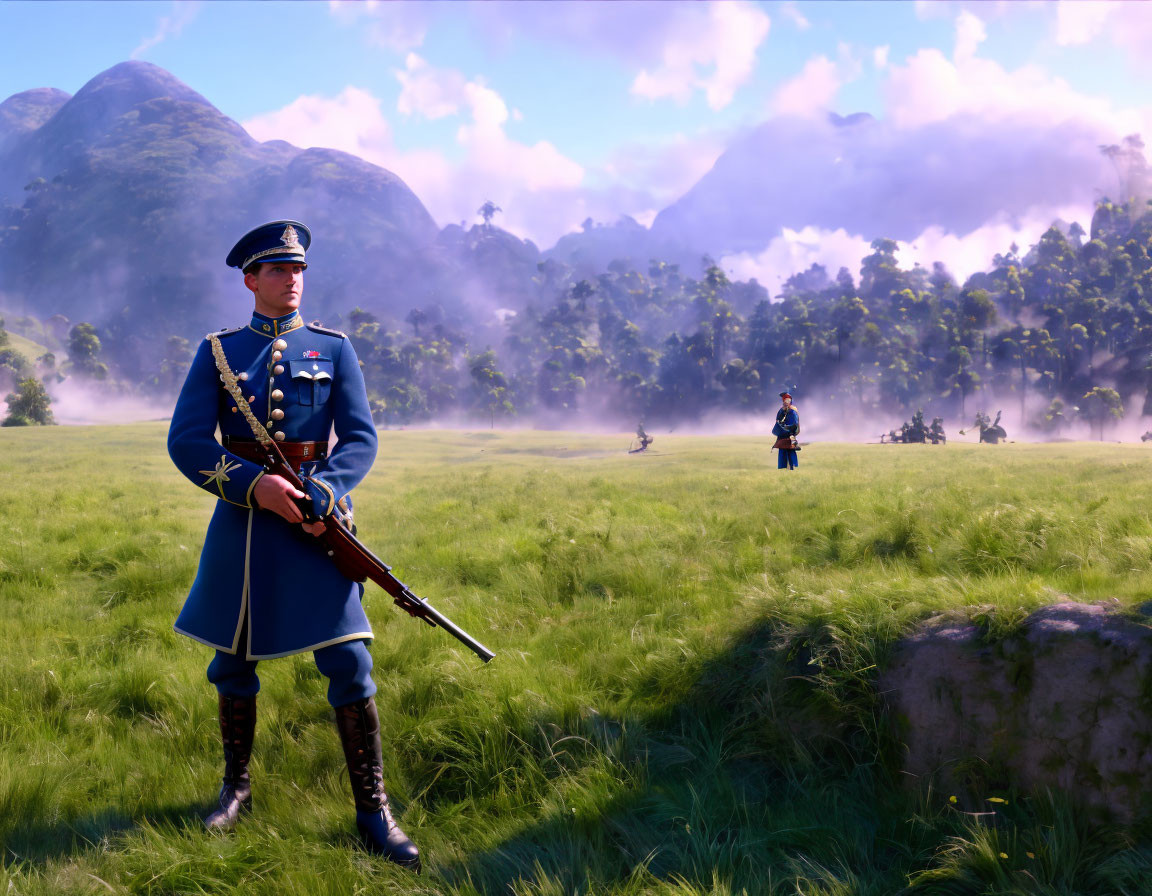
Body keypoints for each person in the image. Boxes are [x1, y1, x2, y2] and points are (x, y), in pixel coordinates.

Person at [167, 221, 420, 870]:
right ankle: (236, 790)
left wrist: (325, 494)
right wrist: (255, 487)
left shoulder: (333, 350)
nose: (292, 279)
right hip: (246, 528)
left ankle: (373, 811)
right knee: (232, 663)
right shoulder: (219, 352)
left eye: (298, 269)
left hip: (317, 527)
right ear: (250, 279)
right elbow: (189, 442)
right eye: (277, 270)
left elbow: (359, 438)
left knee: (349, 663)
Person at [772, 391, 800, 470]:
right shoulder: (781, 411)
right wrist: (781, 426)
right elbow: (778, 420)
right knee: (782, 453)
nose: (786, 402)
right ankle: (783, 469)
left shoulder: (793, 411)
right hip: (782, 435)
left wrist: (787, 428)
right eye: (785, 400)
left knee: (790, 453)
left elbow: (795, 424)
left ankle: (792, 468)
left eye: (788, 400)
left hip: (790, 435)